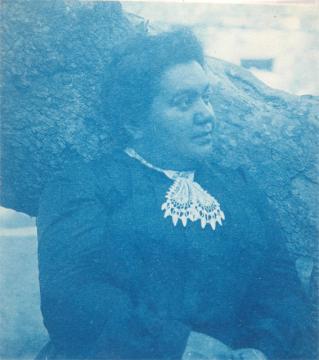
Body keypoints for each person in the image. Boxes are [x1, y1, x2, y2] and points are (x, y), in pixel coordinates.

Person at [36, 28, 312, 360]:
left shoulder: (239, 189)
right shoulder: (86, 186)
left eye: (206, 97)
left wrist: (261, 350)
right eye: (183, 102)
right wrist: (179, 346)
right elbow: (70, 298)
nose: (206, 114)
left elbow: (281, 292)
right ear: (135, 122)